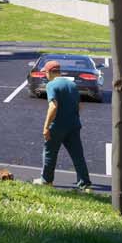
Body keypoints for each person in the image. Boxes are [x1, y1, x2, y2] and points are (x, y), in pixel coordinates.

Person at [36, 60, 94, 191]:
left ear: (50, 72)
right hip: (73, 125)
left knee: (50, 153)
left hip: (57, 126)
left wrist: (46, 127)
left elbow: (53, 106)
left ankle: (46, 181)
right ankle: (85, 184)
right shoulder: (72, 85)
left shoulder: (51, 85)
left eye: (45, 72)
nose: (45, 75)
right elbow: (79, 106)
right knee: (77, 155)